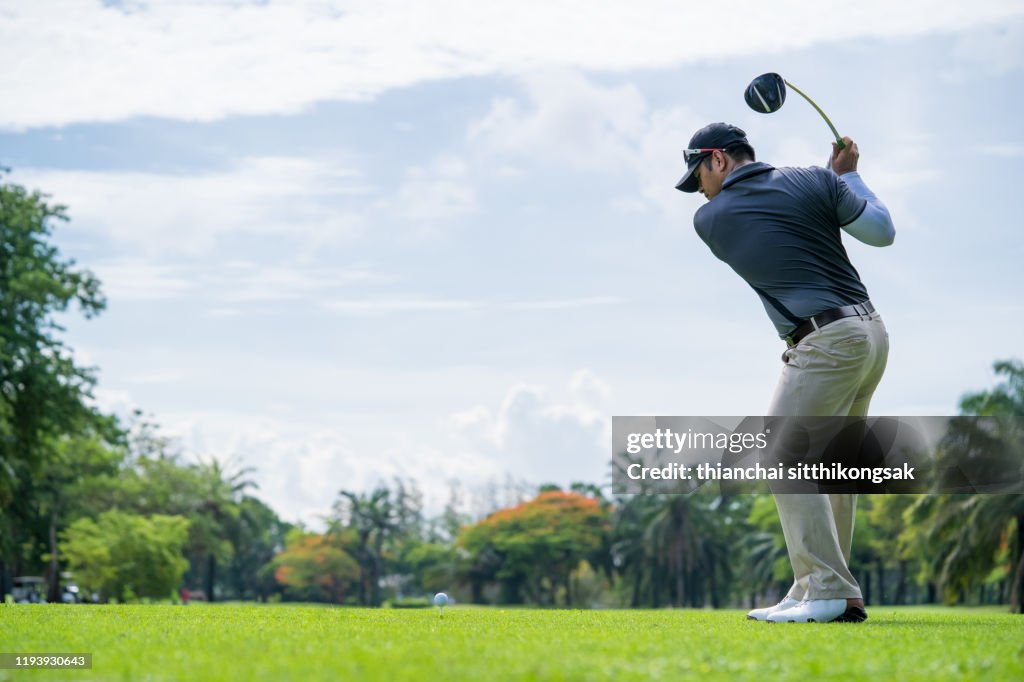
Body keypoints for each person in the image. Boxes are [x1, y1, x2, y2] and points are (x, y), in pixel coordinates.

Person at [676, 123, 894, 624]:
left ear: (719, 160)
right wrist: (847, 179)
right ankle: (825, 590)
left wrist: (831, 178)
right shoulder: (816, 181)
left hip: (825, 341)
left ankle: (826, 590)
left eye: (699, 175)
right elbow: (881, 232)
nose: (700, 190)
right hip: (872, 335)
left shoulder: (712, 217)